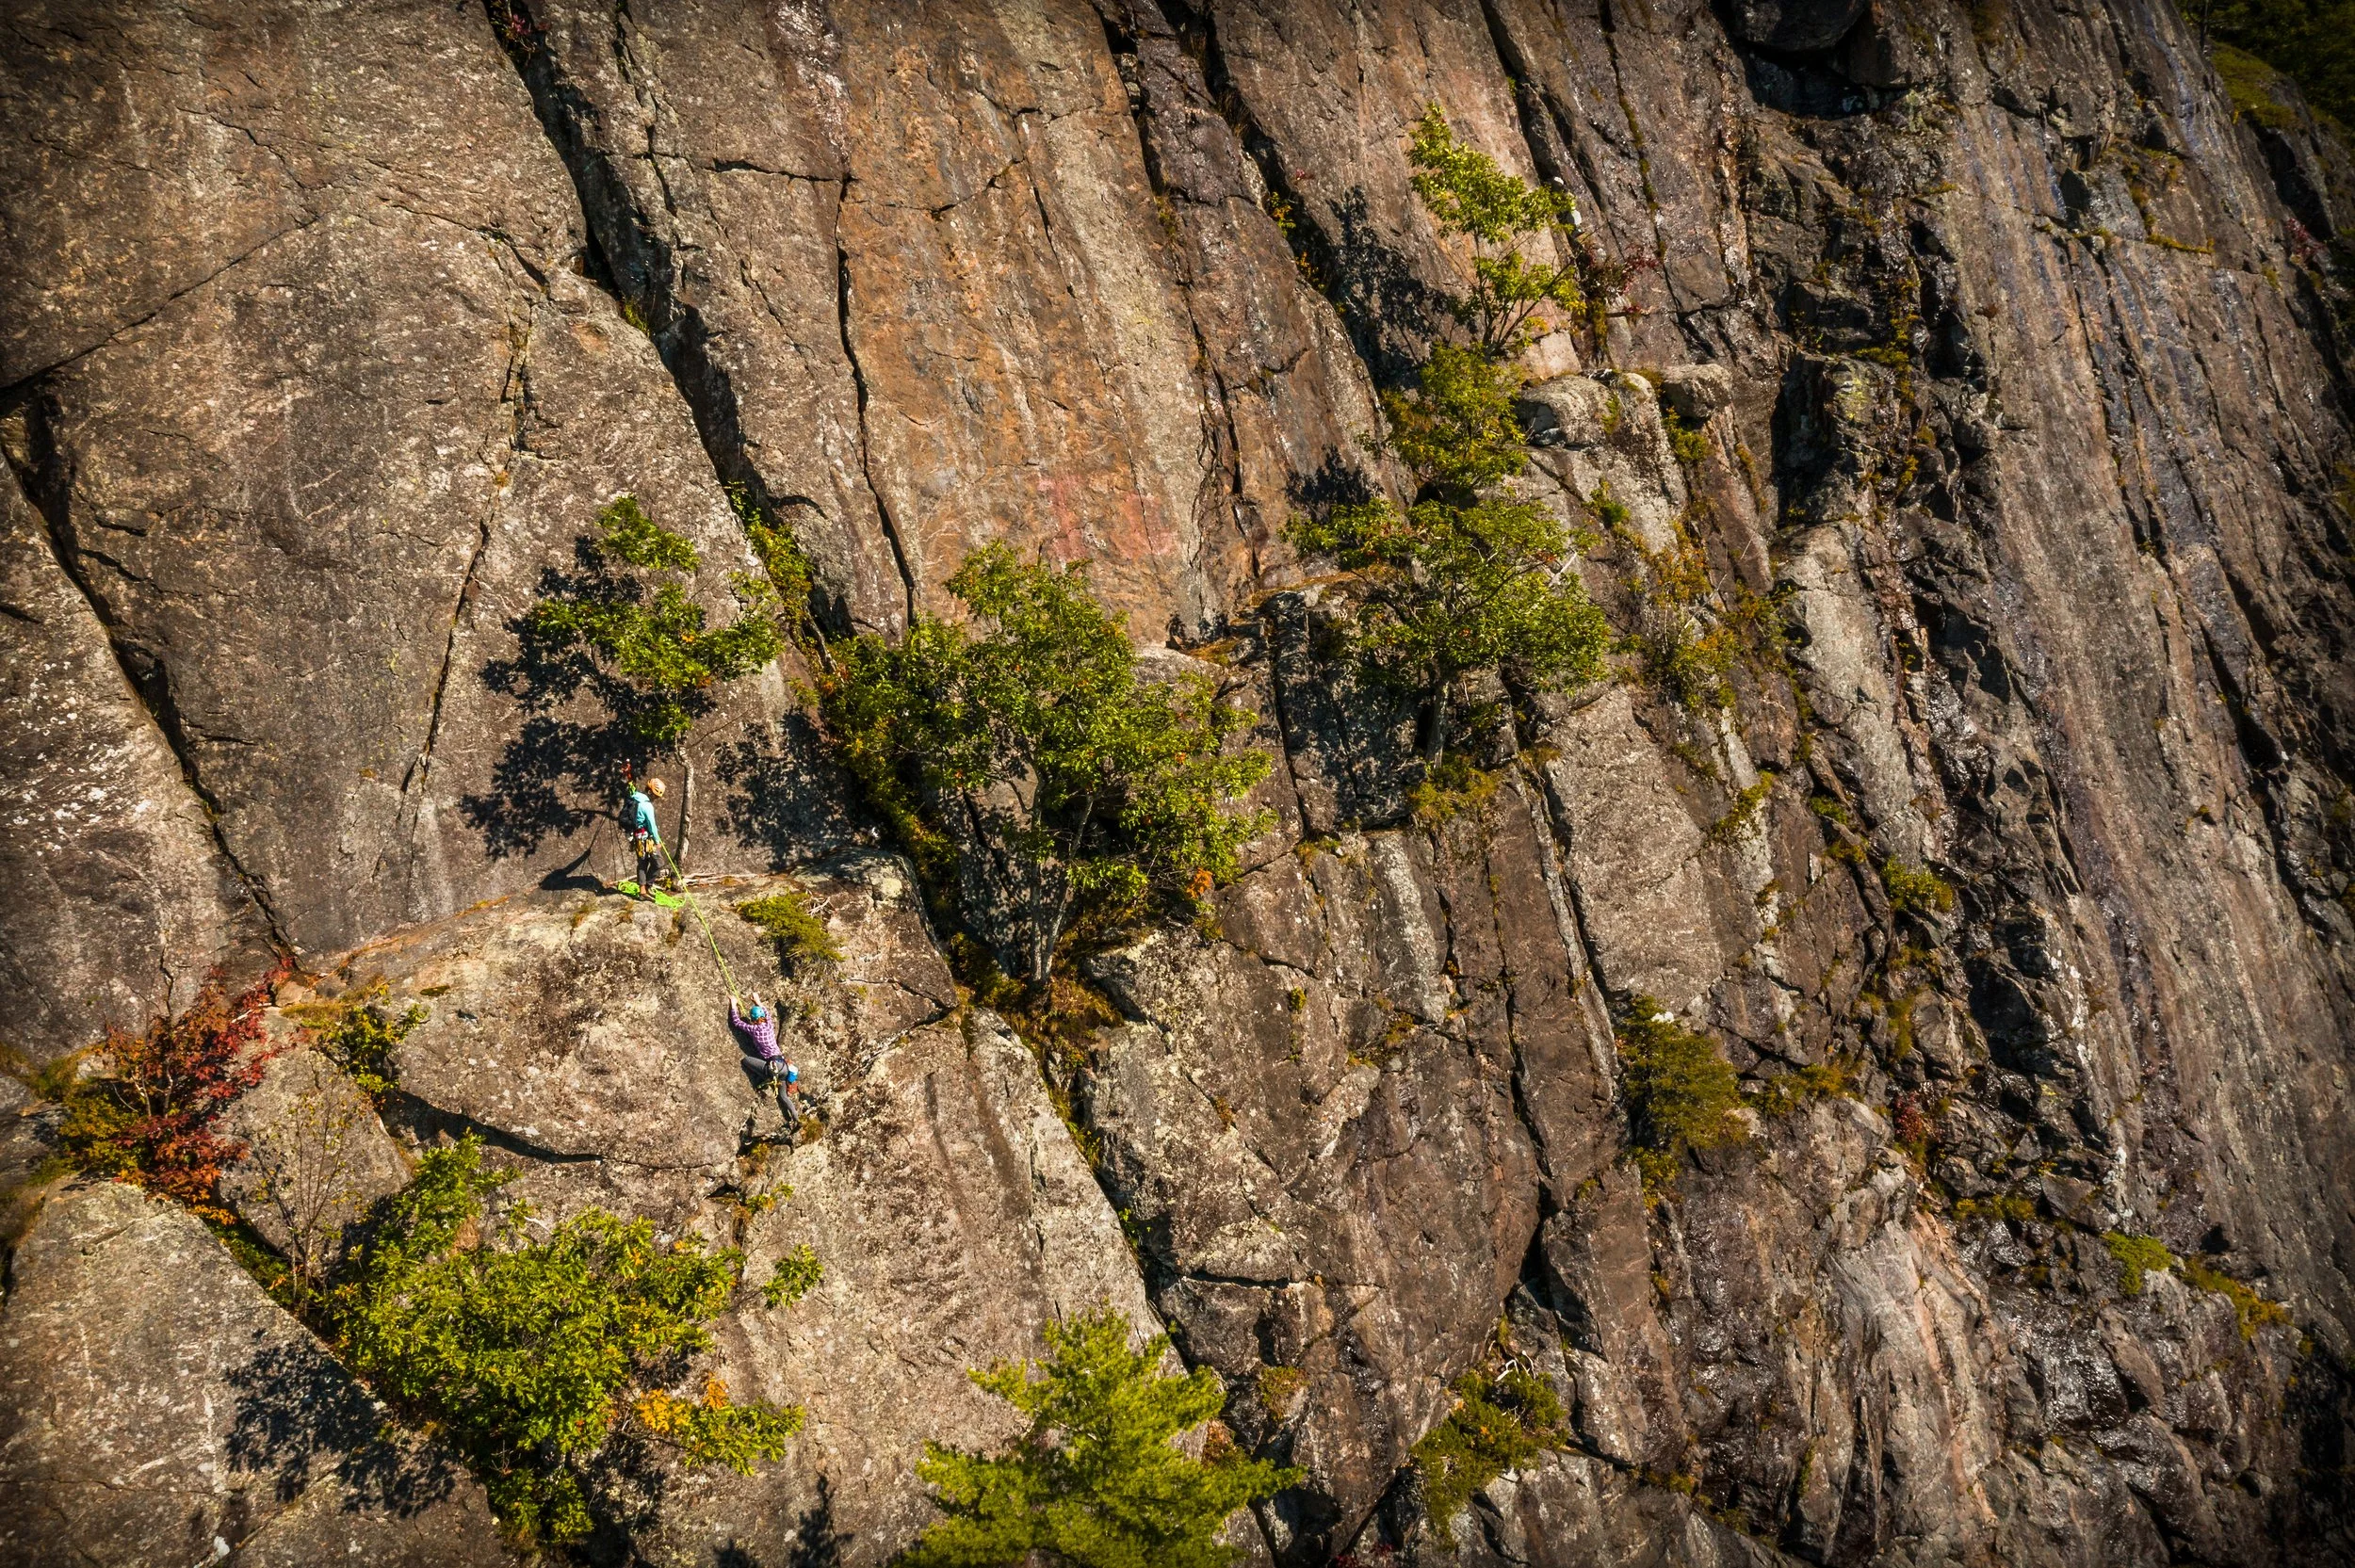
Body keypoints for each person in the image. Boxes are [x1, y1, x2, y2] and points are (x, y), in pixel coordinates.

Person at [730, 992, 802, 1126]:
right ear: (762, 1017)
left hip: (772, 1067)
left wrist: (733, 1004)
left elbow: (737, 1022)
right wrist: (757, 1000)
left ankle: (766, 1078)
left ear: (752, 1019)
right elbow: (765, 1011)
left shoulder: (753, 1029)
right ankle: (796, 1119)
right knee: (783, 1097)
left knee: (746, 1060)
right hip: (783, 1067)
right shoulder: (769, 1024)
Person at [625, 775, 667, 889]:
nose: (656, 798)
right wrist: (657, 841)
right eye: (655, 795)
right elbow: (652, 826)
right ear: (650, 791)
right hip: (647, 838)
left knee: (642, 863)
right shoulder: (647, 806)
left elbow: (631, 788)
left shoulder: (635, 797)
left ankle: (642, 891)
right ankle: (648, 886)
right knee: (659, 863)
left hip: (637, 837)